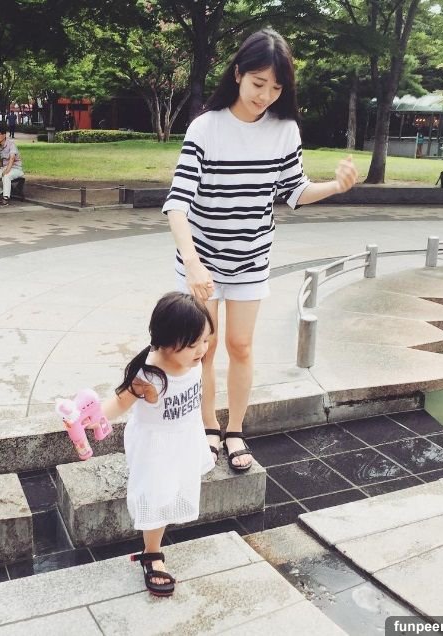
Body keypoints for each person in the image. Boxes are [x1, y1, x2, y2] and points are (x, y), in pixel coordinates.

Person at [163, 29, 358, 472]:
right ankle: (208, 426)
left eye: (275, 88)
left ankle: (235, 429)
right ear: (238, 74)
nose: (265, 96)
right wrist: (193, 264)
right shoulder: (206, 127)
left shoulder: (284, 130)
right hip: (201, 259)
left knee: (241, 345)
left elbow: (294, 191)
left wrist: (335, 186)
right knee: (204, 347)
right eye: (258, 84)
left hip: (251, 257)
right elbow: (177, 203)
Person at [85, 291, 214, 597]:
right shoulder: (149, 374)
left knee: (175, 489)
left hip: (185, 437)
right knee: (155, 497)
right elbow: (119, 402)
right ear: (166, 341)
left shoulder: (194, 361)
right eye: (193, 344)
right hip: (156, 446)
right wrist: (93, 417)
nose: (202, 349)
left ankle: (154, 543)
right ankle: (151, 553)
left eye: (206, 340)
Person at [0, 124, 24, 207]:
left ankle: (5, 199)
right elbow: (0, 160)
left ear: (4, 135)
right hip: (5, 168)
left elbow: (12, 158)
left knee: (6, 176)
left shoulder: (11, 144)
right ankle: (0, 193)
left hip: (16, 169)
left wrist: (6, 171)